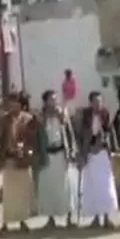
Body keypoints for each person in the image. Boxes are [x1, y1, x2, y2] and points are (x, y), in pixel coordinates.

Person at [0, 92, 38, 234]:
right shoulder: (5, 120)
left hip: (22, 159)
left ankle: (22, 221)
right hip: (9, 159)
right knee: (9, 194)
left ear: (21, 104)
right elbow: (1, 141)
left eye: (15, 103)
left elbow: (32, 139)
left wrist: (27, 152)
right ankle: (5, 223)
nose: (13, 106)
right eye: (10, 103)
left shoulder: (28, 119)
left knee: (22, 193)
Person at [36, 90, 77, 229]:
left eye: (55, 99)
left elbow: (69, 133)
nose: (54, 102)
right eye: (51, 99)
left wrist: (72, 151)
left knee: (65, 187)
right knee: (48, 187)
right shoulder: (41, 117)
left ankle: (69, 218)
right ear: (45, 102)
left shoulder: (62, 114)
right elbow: (38, 137)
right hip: (47, 155)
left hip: (61, 154)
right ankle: (51, 219)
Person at [79, 91, 120, 228]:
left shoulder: (105, 115)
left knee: (106, 185)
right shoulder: (86, 115)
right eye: (95, 102)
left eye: (100, 102)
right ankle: (96, 218)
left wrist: (112, 146)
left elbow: (110, 132)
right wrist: (85, 150)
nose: (98, 104)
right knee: (92, 186)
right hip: (90, 153)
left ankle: (107, 217)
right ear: (91, 103)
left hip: (102, 153)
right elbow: (83, 134)